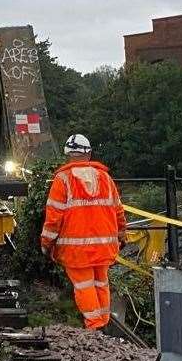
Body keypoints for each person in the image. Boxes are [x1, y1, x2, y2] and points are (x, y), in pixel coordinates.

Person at [40, 134, 127, 330]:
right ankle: (103, 323)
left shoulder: (62, 180)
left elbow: (53, 218)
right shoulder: (105, 178)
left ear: (68, 155)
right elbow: (118, 210)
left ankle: (94, 326)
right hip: (104, 246)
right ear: (89, 153)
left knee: (84, 286)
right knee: (101, 283)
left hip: (76, 250)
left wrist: (46, 243)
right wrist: (122, 234)